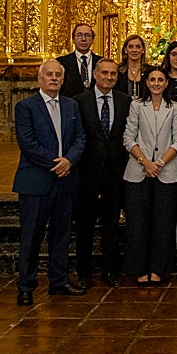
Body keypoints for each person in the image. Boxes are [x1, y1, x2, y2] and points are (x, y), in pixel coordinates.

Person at [13, 59, 86, 305]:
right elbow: (27, 142)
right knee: (32, 236)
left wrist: (69, 160)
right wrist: (57, 164)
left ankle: (59, 281)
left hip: (66, 181)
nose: (54, 78)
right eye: (49, 75)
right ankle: (26, 286)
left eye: (58, 75)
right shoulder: (26, 107)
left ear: (63, 80)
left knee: (61, 234)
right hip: (36, 181)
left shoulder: (71, 106)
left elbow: (80, 138)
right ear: (40, 79)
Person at [123, 65, 177, 285]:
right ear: (146, 83)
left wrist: (159, 163)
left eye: (161, 80)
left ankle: (159, 268)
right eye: (152, 80)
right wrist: (145, 162)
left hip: (166, 171)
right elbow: (128, 138)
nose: (156, 83)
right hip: (138, 171)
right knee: (138, 223)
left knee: (163, 222)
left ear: (166, 83)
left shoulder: (174, 108)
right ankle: (139, 268)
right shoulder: (137, 106)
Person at [74, 58, 132, 286]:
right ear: (95, 75)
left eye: (113, 74)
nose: (109, 77)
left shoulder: (125, 101)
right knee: (85, 225)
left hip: (116, 172)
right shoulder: (79, 102)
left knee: (111, 225)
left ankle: (109, 271)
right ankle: (84, 272)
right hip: (88, 171)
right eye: (105, 73)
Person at [58, 23, 101, 98]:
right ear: (73, 39)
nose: (83, 39)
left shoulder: (101, 62)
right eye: (79, 35)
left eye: (87, 35)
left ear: (92, 39)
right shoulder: (61, 62)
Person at [115, 34, 148, 100]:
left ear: (143, 50)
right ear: (125, 50)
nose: (134, 50)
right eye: (130, 47)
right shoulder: (117, 71)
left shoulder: (150, 71)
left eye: (138, 47)